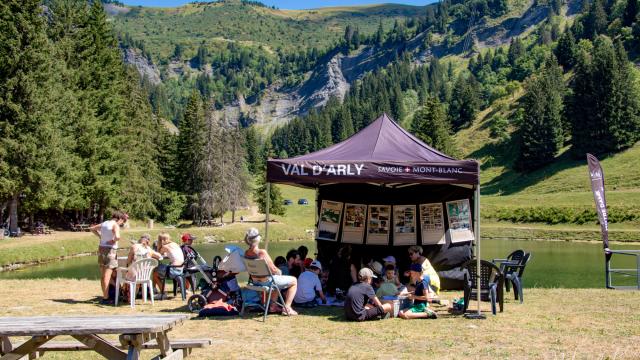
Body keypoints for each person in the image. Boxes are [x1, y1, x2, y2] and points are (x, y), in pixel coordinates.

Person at [243, 228, 298, 316]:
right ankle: (287, 308)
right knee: (294, 280)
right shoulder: (262, 252)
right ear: (258, 239)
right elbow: (274, 269)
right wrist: (279, 271)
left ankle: (273, 307)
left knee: (276, 281)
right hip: (267, 282)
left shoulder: (246, 253)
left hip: (255, 282)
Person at [90, 211, 128, 304]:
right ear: (120, 219)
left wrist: (100, 236)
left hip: (101, 249)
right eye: (122, 222)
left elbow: (92, 228)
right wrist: (112, 240)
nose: (122, 224)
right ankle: (106, 298)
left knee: (103, 276)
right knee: (107, 276)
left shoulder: (105, 223)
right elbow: (118, 237)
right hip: (110, 250)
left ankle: (105, 296)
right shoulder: (115, 225)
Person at [152, 233, 185, 298]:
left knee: (155, 272)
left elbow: (158, 254)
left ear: (161, 240)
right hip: (180, 269)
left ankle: (162, 292)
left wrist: (159, 244)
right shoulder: (175, 244)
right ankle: (157, 289)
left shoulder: (165, 247)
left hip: (174, 270)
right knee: (160, 268)